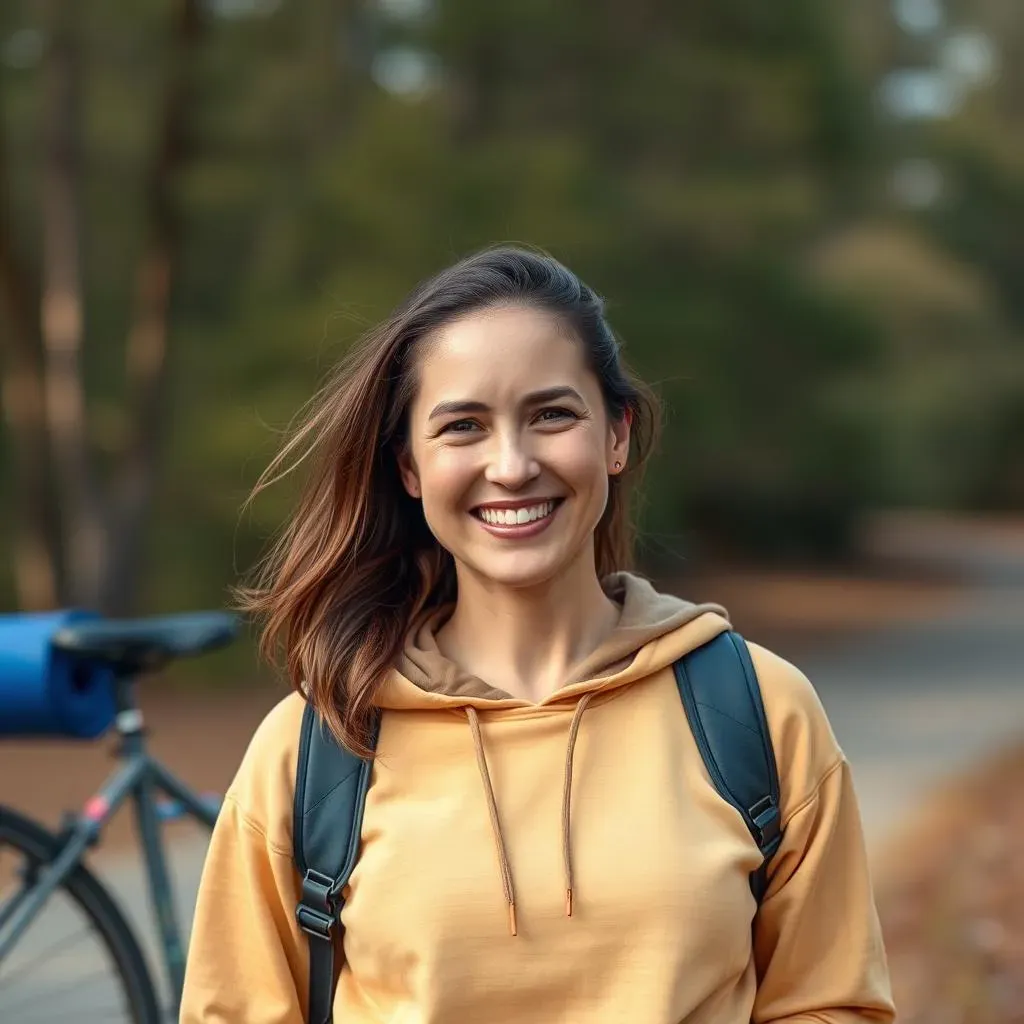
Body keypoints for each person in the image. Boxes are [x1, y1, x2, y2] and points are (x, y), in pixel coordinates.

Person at [180, 246, 895, 1023]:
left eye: (552, 415)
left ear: (617, 435)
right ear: (410, 467)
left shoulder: (758, 712)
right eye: (463, 426)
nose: (513, 465)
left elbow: (833, 1005)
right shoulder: (315, 746)